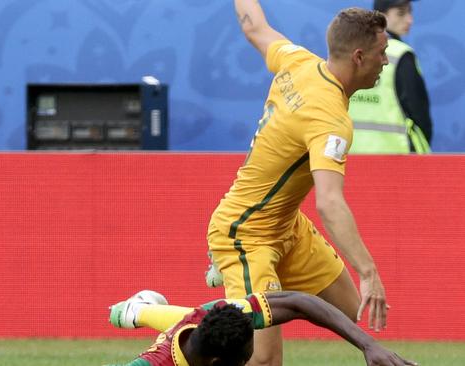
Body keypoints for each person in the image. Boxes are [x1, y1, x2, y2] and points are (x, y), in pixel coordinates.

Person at [206, 1, 393, 365]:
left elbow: (254, 27)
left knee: (357, 316)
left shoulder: (297, 60)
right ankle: (177, 325)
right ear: (359, 56)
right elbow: (329, 202)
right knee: (264, 361)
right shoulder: (330, 119)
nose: (385, 60)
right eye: (382, 52)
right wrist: (368, 271)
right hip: (246, 234)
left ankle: (230, 296)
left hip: (289, 229)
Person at [107, 290, 417, 366]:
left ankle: (138, 310)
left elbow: (297, 302)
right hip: (176, 338)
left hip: (194, 318)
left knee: (183, 314)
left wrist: (369, 345)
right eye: (244, 362)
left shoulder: (223, 313)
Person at [348, 0, 433, 154]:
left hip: (351, 159)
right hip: (397, 160)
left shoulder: (350, 52)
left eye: (410, 11)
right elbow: (420, 116)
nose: (409, 19)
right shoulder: (401, 54)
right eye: (401, 13)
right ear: (380, 17)